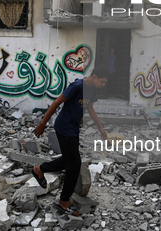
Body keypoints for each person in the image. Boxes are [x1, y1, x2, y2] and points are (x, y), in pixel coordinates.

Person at [31, 65, 109, 216]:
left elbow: (90, 108)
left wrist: (100, 128)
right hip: (64, 127)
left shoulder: (93, 90)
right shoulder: (77, 86)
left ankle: (39, 169)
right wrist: (42, 124)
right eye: (102, 81)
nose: (103, 85)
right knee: (74, 164)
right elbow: (56, 103)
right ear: (94, 76)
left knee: (69, 160)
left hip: (73, 128)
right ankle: (64, 200)